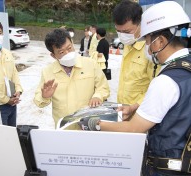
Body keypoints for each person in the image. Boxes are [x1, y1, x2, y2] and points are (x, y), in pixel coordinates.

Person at [79, 1, 191, 175]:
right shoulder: (186, 65)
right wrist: (134, 106)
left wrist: (94, 123)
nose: (147, 46)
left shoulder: (166, 80)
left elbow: (134, 128)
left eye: (147, 40)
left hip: (166, 164)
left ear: (160, 41)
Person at [34, 29, 110, 128]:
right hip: (65, 129)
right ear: (53, 55)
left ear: (72, 43)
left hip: (89, 126)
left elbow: (103, 86)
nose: (67, 54)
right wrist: (45, 96)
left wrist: (98, 96)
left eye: (69, 48)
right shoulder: (48, 72)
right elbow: (39, 102)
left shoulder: (90, 64)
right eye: (61, 52)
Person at [113, 0, 158, 114]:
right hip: (123, 110)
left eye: (127, 31)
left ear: (140, 25)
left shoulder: (151, 49)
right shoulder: (129, 43)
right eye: (118, 31)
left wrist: (134, 107)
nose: (122, 35)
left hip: (142, 112)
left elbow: (156, 87)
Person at [0, 19, 23, 127]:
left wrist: (18, 91)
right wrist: (6, 100)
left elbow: (14, 73)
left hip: (13, 103)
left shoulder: (7, 53)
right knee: (3, 136)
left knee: (12, 133)